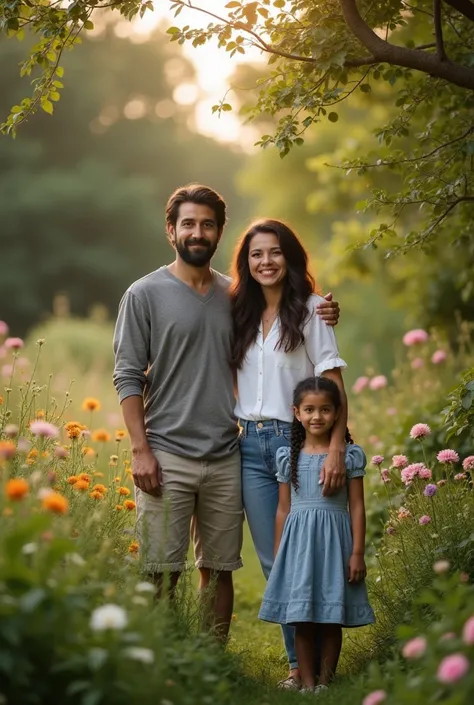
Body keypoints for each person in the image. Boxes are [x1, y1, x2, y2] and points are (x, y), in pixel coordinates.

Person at [112, 184, 339, 641]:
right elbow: (127, 375)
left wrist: (324, 310)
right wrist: (140, 449)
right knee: (160, 570)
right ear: (171, 230)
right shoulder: (144, 294)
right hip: (166, 452)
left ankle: (210, 662)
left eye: (207, 224)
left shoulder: (237, 295)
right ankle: (161, 659)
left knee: (218, 570)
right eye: (188, 224)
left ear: (219, 233)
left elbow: (286, 309)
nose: (198, 232)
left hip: (226, 452)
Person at [230, 219, 345, 683]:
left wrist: (336, 447)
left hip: (300, 443)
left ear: (290, 257)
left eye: (275, 252)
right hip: (248, 447)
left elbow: (333, 381)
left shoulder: (314, 310)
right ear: (246, 262)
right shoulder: (235, 310)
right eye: (256, 254)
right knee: (275, 560)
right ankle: (300, 667)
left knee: (308, 556)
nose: (266, 262)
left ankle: (322, 663)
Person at [259, 376, 375, 694]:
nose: (317, 416)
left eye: (325, 409)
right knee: (302, 618)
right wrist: (280, 551)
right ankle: (307, 684)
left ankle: (326, 682)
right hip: (298, 548)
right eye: (309, 409)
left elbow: (357, 508)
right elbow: (283, 509)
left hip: (335, 544)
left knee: (330, 616)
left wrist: (357, 553)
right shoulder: (289, 457)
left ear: (338, 413)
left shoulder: (348, 456)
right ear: (296, 412)